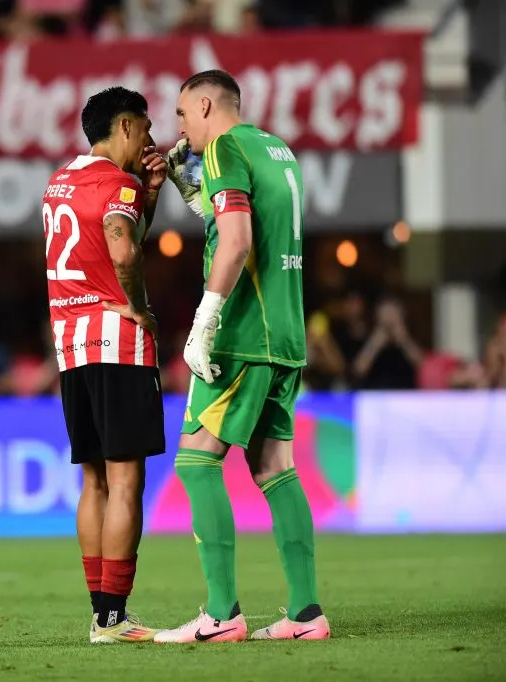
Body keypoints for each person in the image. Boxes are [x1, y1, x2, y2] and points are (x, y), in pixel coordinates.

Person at [150, 70, 329, 643]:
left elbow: (237, 241)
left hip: (244, 334)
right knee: (275, 467)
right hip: (287, 335)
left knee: (196, 462)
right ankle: (306, 616)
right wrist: (186, 183)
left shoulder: (225, 146)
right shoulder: (274, 148)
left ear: (205, 104)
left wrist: (205, 321)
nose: (178, 127)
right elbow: (233, 220)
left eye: (181, 114)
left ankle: (221, 614)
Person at [44, 86, 168, 643]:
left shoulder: (58, 183)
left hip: (70, 344)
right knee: (125, 483)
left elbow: (109, 239)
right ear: (123, 126)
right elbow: (122, 250)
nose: (149, 138)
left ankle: (100, 612)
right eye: (143, 127)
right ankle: (113, 619)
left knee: (92, 480)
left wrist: (153, 195)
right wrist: (140, 309)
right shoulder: (117, 184)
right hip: (117, 341)